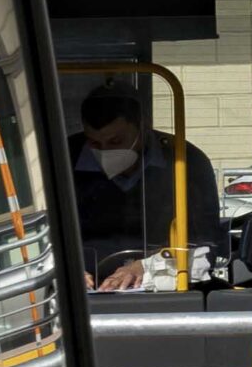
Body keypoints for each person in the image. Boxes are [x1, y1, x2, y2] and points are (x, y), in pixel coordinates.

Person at [68, 81, 226, 291]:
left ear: (144, 126)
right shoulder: (65, 159)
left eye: (116, 141)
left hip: (161, 290)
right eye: (95, 144)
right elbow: (42, 237)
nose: (105, 152)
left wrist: (145, 267)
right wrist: (64, 268)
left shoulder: (186, 162)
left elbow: (205, 248)